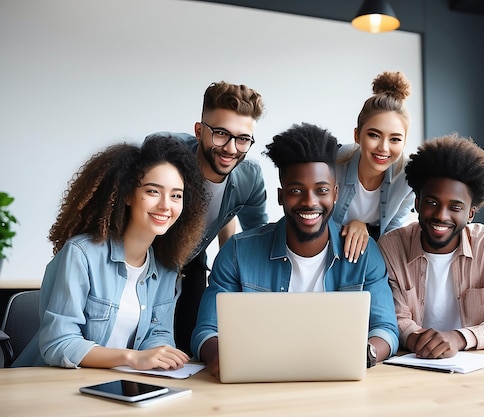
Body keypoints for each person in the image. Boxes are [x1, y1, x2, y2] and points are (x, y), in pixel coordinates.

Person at [191, 122, 399, 378]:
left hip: (339, 387)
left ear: (335, 193)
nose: (310, 202)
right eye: (296, 191)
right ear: (281, 196)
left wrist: (365, 353)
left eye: (321, 190)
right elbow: (206, 330)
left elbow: (386, 329)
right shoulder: (237, 252)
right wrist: (220, 355)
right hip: (257, 383)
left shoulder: (364, 253)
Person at [13, 136, 207, 369]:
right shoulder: (81, 254)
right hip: (49, 387)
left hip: (112, 387)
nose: (166, 205)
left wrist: (162, 354)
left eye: (176, 195)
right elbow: (59, 343)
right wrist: (131, 358)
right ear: (127, 195)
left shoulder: (167, 267)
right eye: (153, 191)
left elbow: (158, 334)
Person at [377, 133, 484, 359]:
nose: (441, 215)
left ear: (470, 213)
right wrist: (418, 340)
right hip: (409, 364)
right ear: (417, 203)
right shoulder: (391, 246)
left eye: (455, 207)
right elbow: (393, 318)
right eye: (431, 202)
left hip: (468, 368)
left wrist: (460, 338)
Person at [148, 81, 268, 355]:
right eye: (221, 134)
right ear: (199, 131)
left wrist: (232, 276)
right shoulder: (165, 153)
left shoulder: (249, 177)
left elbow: (257, 238)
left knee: (188, 349)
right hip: (147, 259)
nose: (230, 148)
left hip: (192, 263)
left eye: (243, 139)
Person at [334, 71, 415, 263]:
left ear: (404, 142)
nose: (383, 148)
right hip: (332, 247)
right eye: (374, 135)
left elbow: (392, 233)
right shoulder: (333, 163)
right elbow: (318, 221)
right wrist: (354, 226)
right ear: (357, 135)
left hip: (372, 253)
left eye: (395, 139)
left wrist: (365, 230)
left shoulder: (409, 177)